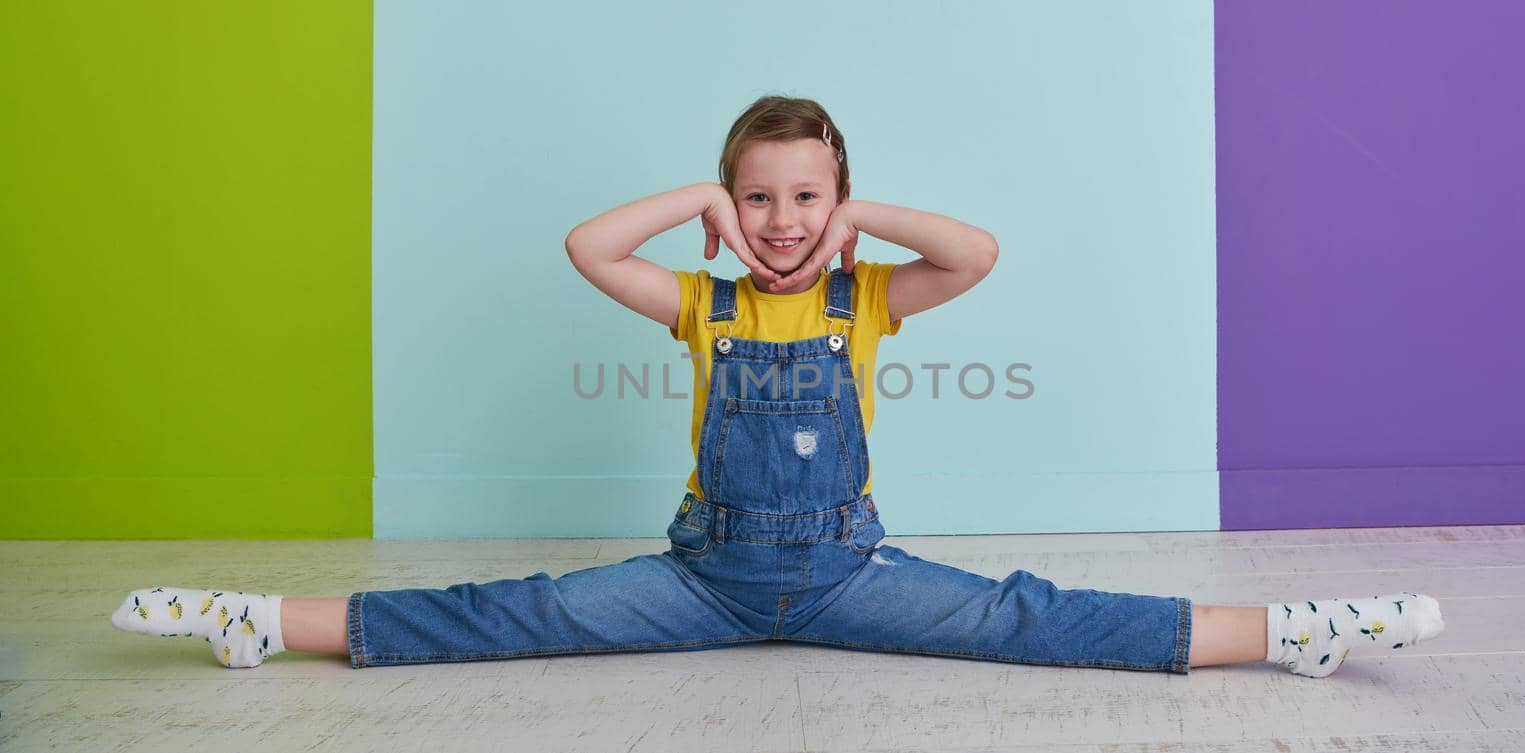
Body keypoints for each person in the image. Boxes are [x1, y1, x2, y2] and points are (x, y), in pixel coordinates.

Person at [109, 95, 1444, 678]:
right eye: (759, 195)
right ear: (732, 207)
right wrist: (695, 202)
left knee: (1033, 617)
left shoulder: (869, 295)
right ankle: (266, 622)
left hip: (856, 574)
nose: (785, 218)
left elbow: (975, 255)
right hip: (700, 578)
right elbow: (588, 249)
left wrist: (869, 215)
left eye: (807, 196)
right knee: (515, 614)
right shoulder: (708, 300)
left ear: (836, 202)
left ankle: (1285, 632)